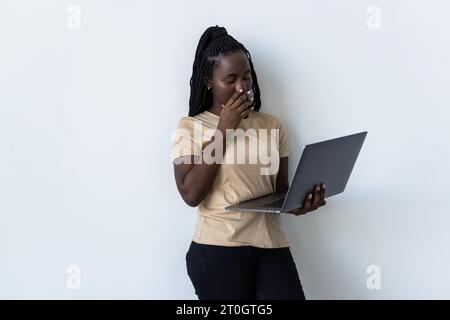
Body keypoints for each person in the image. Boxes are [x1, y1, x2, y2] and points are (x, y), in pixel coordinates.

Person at [171, 25, 326, 300]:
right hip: (217, 248)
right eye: (230, 80)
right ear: (209, 81)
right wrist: (224, 130)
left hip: (271, 246)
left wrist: (300, 204)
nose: (241, 87)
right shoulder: (190, 127)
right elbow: (190, 194)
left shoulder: (272, 126)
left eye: (246, 77)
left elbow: (279, 193)